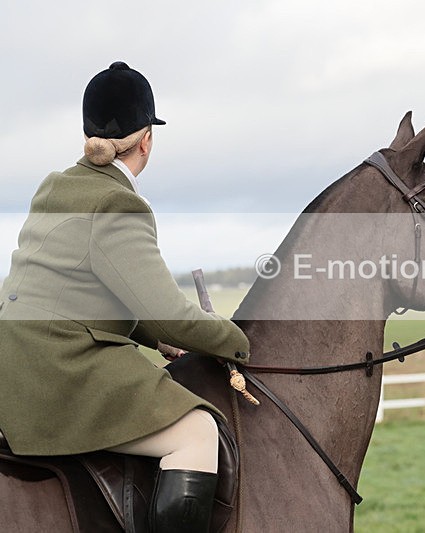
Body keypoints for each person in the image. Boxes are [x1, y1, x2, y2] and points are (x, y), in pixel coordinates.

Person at [0, 61, 250, 532]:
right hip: (61, 368)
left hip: (13, 361)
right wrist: (240, 341)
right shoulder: (120, 203)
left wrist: (155, 342)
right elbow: (167, 312)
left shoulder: (54, 185)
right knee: (198, 433)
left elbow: (78, 294)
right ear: (146, 140)